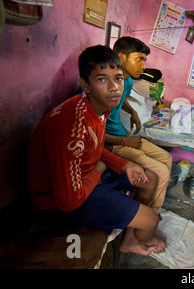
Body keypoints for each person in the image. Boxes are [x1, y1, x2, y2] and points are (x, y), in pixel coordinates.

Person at [27, 45, 166, 256]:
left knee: (150, 179)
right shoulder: (72, 125)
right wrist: (100, 170)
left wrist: (124, 164)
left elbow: (95, 147)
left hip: (86, 176)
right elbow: (68, 201)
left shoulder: (97, 108)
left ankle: (128, 241)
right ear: (86, 84)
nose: (114, 87)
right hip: (58, 199)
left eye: (118, 79)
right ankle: (144, 238)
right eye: (102, 79)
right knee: (150, 221)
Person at [105, 36, 172, 216]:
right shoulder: (106, 86)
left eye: (144, 60)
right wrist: (125, 141)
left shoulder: (126, 82)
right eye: (139, 59)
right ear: (122, 57)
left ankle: (150, 212)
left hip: (123, 137)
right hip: (115, 142)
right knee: (161, 172)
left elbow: (122, 100)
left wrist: (133, 112)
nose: (143, 66)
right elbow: (94, 134)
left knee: (167, 158)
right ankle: (146, 218)